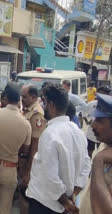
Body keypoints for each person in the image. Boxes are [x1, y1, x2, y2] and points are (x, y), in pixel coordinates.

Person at [26, 84, 91, 214]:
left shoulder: (50, 133)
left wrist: (64, 201)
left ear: (51, 105)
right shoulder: (78, 132)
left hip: (45, 203)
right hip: (64, 202)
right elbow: (86, 166)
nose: (42, 106)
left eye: (44, 102)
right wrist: (74, 194)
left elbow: (50, 175)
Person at [0, 83, 32, 214]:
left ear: (5, 98)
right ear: (19, 100)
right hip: (10, 169)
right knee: (5, 209)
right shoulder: (26, 124)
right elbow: (25, 150)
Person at [79, 93, 112, 214]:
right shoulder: (105, 144)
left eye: (100, 120)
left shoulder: (103, 155)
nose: (93, 125)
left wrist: (99, 160)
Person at [20, 85, 47, 214]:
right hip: (23, 159)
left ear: (34, 97)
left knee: (26, 197)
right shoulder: (27, 110)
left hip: (28, 162)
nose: (22, 99)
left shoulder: (37, 114)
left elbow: (35, 145)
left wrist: (28, 171)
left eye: (24, 97)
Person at [85, 86, 111, 158]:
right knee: (89, 151)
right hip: (91, 136)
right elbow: (85, 114)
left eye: (100, 120)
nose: (93, 125)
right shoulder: (92, 104)